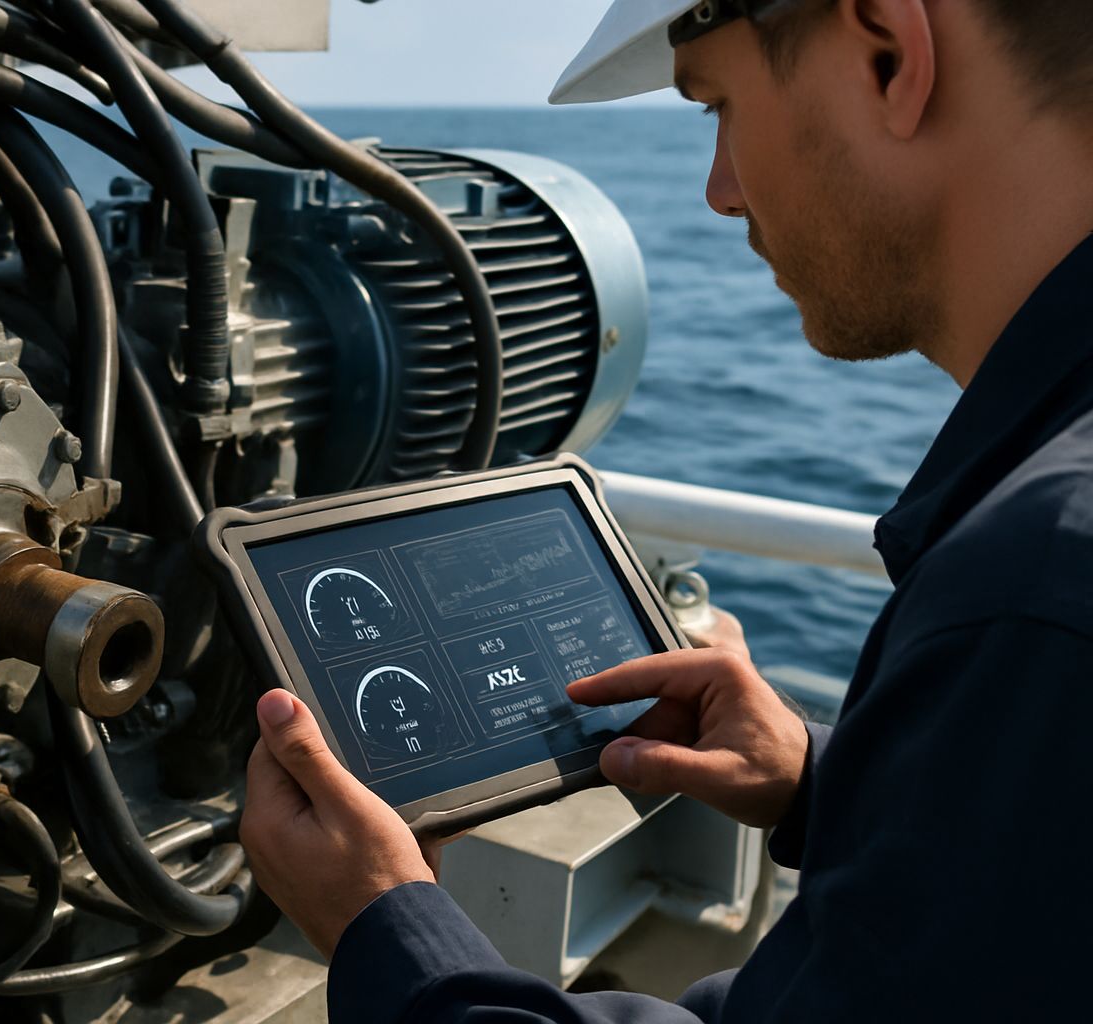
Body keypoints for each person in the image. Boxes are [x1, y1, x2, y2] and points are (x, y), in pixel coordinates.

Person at [236, 0, 1093, 1020]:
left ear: (887, 53)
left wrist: (384, 929)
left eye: (718, 104)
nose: (719, 191)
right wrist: (827, 776)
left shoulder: (1038, 595)